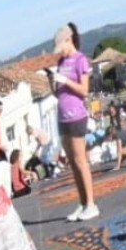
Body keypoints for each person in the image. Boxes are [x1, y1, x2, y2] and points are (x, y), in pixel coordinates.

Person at [47, 23, 98, 220]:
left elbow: (84, 90)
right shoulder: (61, 62)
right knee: (72, 163)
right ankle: (83, 203)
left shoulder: (80, 60)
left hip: (76, 115)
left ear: (69, 40)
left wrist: (66, 80)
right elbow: (58, 94)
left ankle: (91, 204)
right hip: (62, 116)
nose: (60, 51)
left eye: (61, 47)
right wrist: (52, 81)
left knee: (80, 160)